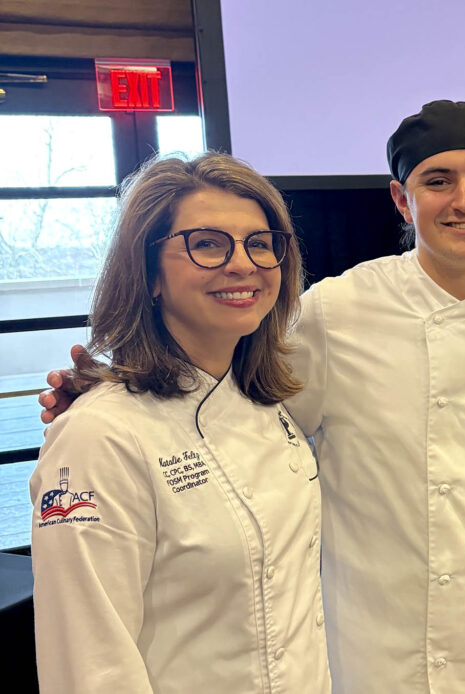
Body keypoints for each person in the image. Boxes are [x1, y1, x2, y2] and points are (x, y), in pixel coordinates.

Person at [41, 101, 465, 694]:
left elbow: (242, 403)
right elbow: (216, 393)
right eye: (438, 181)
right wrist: (115, 394)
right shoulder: (334, 313)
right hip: (382, 659)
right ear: (402, 199)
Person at [31, 153, 330, 694]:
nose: (243, 264)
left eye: (260, 243)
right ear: (148, 276)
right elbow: (90, 662)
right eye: (208, 243)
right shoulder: (100, 435)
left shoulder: (266, 405)